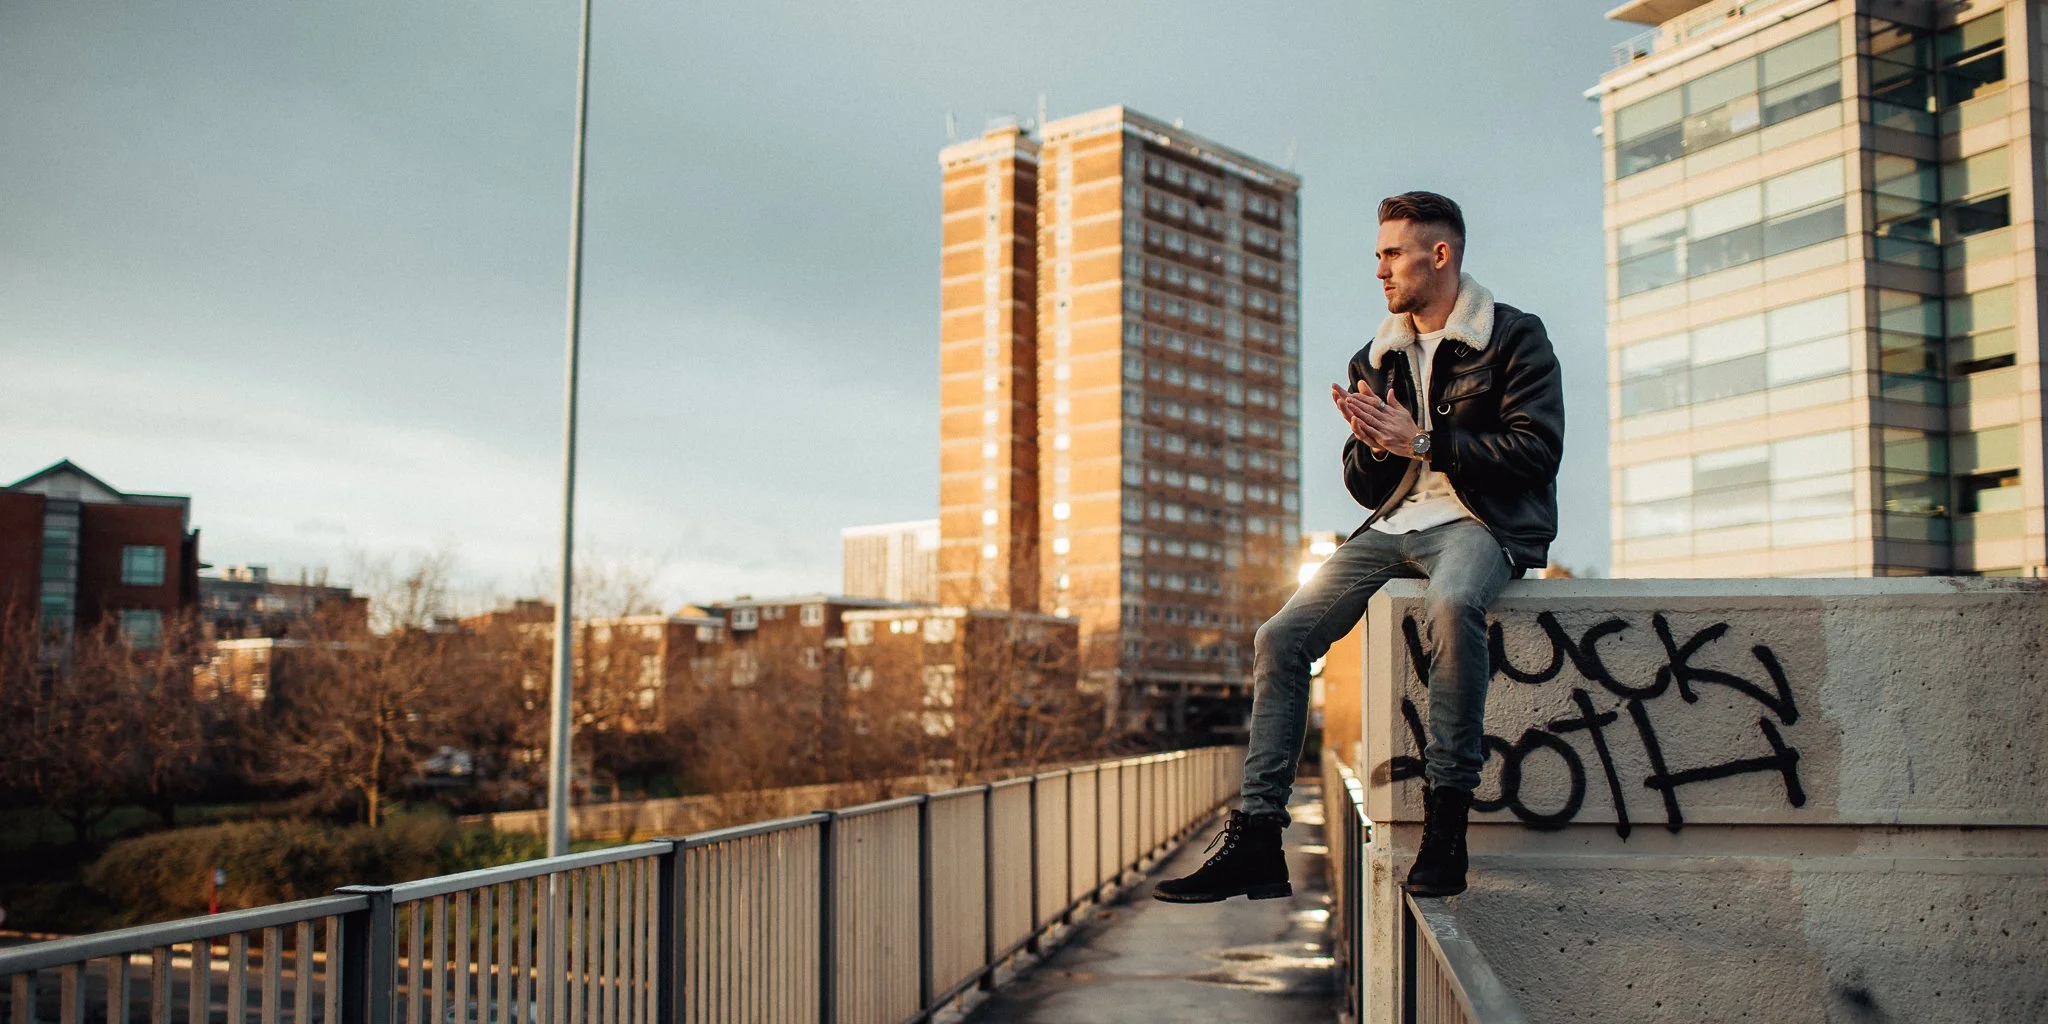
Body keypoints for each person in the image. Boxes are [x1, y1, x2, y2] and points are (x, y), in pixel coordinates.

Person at [1155, 191, 1564, 902]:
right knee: (1280, 637)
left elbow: (1537, 451)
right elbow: (1362, 485)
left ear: (1440, 255)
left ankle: (1446, 826)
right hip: (1392, 528)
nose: (1379, 269)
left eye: (1393, 254)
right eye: (1378, 255)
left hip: (1479, 523)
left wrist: (1424, 441)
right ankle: (1258, 838)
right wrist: (1375, 443)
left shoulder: (1513, 337)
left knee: (1452, 605)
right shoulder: (1377, 358)